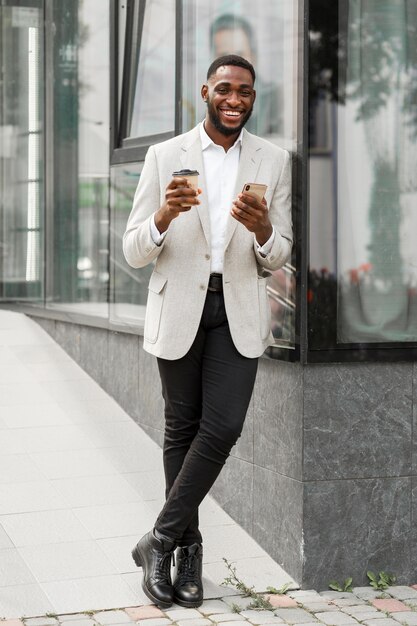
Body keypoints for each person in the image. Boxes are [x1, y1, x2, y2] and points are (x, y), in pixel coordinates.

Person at [123, 54, 292, 610]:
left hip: (236, 308)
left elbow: (279, 253)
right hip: (179, 308)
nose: (235, 100)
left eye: (245, 92)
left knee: (221, 428)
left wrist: (265, 230)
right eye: (225, 89)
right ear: (205, 92)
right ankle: (186, 556)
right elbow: (133, 250)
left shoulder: (273, 158)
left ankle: (159, 539)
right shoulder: (164, 155)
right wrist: (163, 219)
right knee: (182, 429)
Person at [210, 14, 282, 136]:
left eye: (240, 54)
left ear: (253, 57)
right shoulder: (210, 104)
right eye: (223, 56)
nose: (232, 64)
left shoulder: (275, 99)